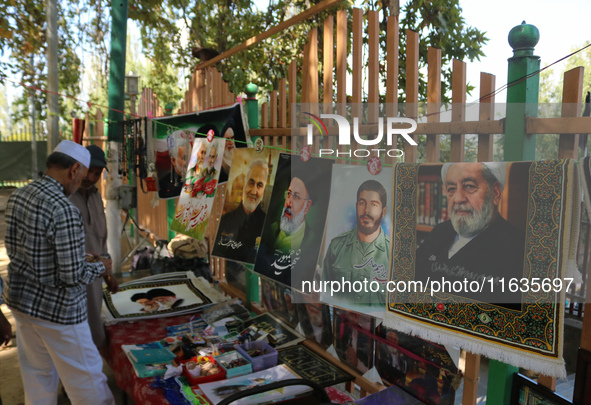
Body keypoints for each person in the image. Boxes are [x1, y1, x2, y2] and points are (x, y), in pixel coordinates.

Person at [4, 140, 116, 404]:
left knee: (38, 379)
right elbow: (71, 275)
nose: (81, 183)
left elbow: (20, 250)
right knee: (89, 383)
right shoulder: (63, 208)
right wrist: (102, 267)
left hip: (23, 305)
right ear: (74, 169)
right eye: (82, 175)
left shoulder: (20, 195)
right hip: (59, 312)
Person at [415, 162, 525, 305]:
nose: (458, 198)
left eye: (470, 186)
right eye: (451, 189)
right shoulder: (440, 232)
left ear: (495, 193)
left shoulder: (518, 248)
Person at [69, 145, 119, 350]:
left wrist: (108, 273)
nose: (91, 177)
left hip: (95, 276)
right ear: (77, 168)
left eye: (97, 173)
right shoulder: (65, 197)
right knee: (74, 335)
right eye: (88, 171)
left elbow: (101, 237)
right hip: (72, 277)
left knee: (93, 327)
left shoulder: (97, 196)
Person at [322, 180, 390, 306]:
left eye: (374, 204)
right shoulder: (336, 247)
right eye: (362, 203)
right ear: (356, 206)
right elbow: (325, 295)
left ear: (383, 211)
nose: (367, 210)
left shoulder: (393, 253)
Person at [213, 158, 269, 263]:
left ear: (264, 189)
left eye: (259, 185)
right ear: (244, 183)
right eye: (251, 183)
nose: (253, 191)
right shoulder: (225, 221)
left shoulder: (268, 225)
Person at [271, 176, 313, 253]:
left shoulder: (312, 243)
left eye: (296, 196)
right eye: (289, 194)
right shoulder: (272, 229)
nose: (288, 203)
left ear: (307, 206)